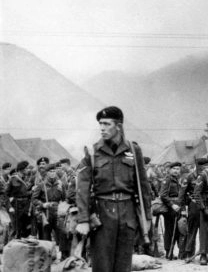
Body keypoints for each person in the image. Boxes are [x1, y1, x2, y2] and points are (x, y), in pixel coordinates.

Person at [75, 106, 152, 272]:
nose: (102, 128)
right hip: (102, 215)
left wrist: (147, 216)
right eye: (100, 124)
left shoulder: (133, 150)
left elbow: (143, 186)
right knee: (102, 265)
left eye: (106, 124)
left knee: (124, 265)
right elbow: (82, 188)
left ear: (118, 126)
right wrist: (83, 219)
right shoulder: (93, 151)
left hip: (128, 212)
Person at [178, 157, 206, 260]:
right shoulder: (189, 177)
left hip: (205, 206)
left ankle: (203, 252)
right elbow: (181, 195)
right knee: (192, 231)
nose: (204, 168)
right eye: (202, 166)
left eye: (206, 166)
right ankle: (189, 253)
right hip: (193, 206)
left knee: (204, 231)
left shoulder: (206, 176)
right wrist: (183, 210)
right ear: (197, 165)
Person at [159, 161, 182, 259]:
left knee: (177, 230)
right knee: (169, 230)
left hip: (178, 207)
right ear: (170, 170)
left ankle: (174, 252)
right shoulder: (167, 180)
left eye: (178, 169)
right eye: (174, 169)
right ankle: (169, 252)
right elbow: (163, 195)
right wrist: (172, 205)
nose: (177, 171)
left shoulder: (177, 179)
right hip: (170, 208)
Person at [6, 160, 33, 238]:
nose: (28, 170)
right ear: (22, 169)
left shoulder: (25, 179)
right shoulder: (14, 179)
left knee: (24, 229)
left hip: (25, 206)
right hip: (16, 206)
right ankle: (10, 247)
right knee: (15, 229)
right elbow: (6, 194)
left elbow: (24, 193)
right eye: (27, 168)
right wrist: (9, 207)